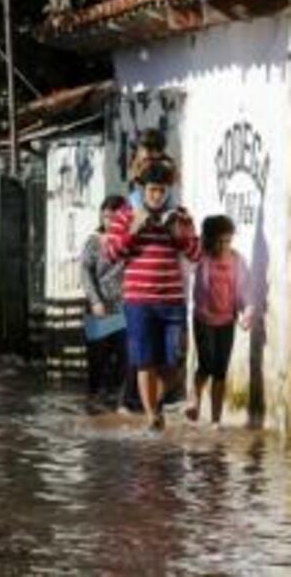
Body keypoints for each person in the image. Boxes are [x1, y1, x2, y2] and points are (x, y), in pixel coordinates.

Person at [104, 161, 200, 431]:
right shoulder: (126, 215)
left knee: (176, 362)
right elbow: (110, 254)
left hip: (172, 302)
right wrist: (132, 232)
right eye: (152, 190)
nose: (157, 195)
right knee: (145, 361)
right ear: (142, 189)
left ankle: (154, 404)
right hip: (138, 302)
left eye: (162, 190)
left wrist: (180, 236)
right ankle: (151, 418)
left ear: (169, 190)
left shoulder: (180, 215)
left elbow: (196, 255)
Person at [185, 215, 253, 427]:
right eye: (220, 241)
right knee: (206, 363)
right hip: (203, 319)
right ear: (210, 239)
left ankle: (216, 421)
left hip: (226, 320)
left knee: (220, 370)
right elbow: (187, 252)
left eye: (228, 241)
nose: (224, 246)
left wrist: (247, 312)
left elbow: (244, 291)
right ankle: (194, 398)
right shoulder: (201, 258)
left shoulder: (237, 260)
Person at [80, 194, 136, 410]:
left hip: (125, 308)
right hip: (100, 308)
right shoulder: (95, 241)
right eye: (105, 217)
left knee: (124, 358)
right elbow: (85, 272)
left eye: (113, 218)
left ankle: (120, 403)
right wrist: (95, 301)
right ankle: (94, 402)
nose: (109, 222)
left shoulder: (130, 240)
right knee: (98, 360)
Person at [127, 129, 178, 211]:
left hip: (164, 196)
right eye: (143, 149)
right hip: (141, 195)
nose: (148, 154)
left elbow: (173, 181)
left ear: (160, 151)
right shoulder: (138, 161)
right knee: (136, 200)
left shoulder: (166, 163)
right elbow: (134, 178)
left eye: (153, 150)